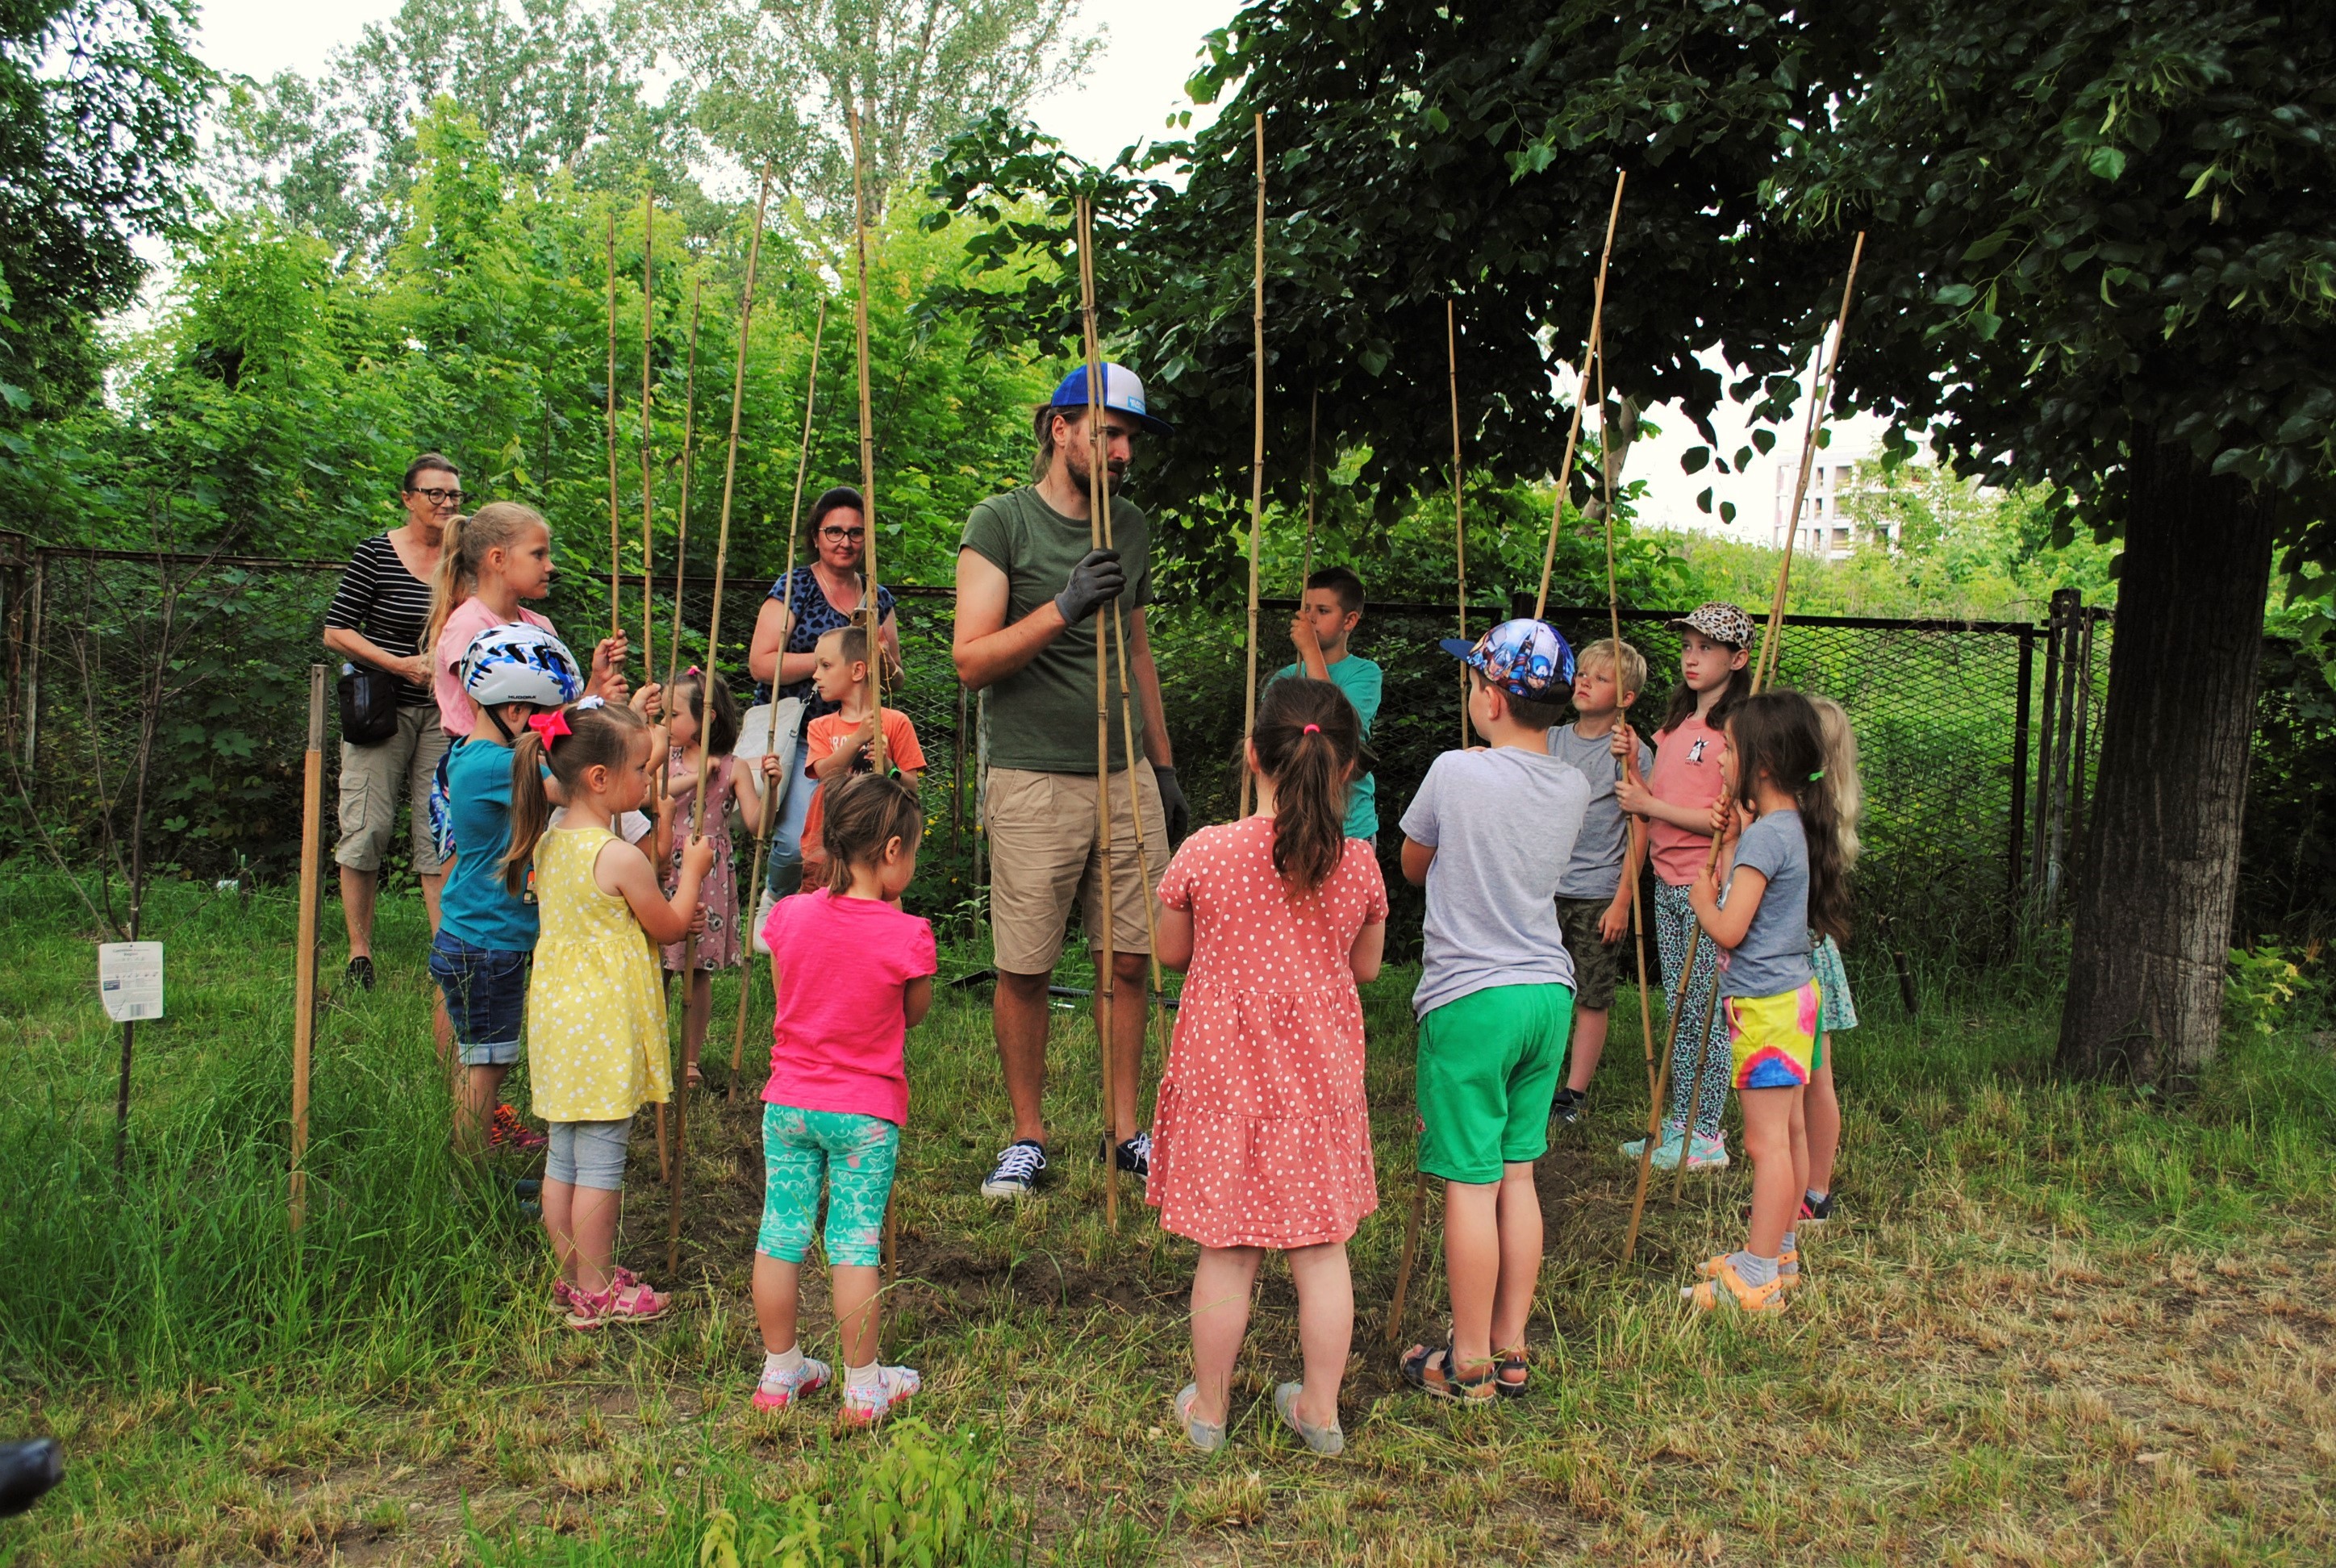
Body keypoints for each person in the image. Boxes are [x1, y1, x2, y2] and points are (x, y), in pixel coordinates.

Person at [952, 363, 1188, 1199]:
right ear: (1060, 427)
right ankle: (1027, 1136)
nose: (1124, 452)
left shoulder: (1129, 525)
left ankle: (1125, 1132)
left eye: (1131, 439)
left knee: (1131, 960)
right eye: (1110, 433)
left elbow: (1136, 651)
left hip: (1121, 773)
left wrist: (1161, 767)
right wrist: (1061, 604)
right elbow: (970, 661)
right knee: (1024, 965)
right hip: (1031, 778)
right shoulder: (1000, 523)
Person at [1151, 678, 1387, 1456]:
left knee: (1227, 1249)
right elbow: (1368, 970)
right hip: (1317, 1087)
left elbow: (1170, 953)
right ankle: (1319, 1412)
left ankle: (1210, 1410)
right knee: (1322, 1251)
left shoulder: (1206, 852)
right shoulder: (1357, 865)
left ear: (1252, 754)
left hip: (1228, 1084)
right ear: (1346, 768)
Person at [1396, 620, 1589, 1403]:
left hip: (1471, 999)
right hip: (1549, 996)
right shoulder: (1575, 784)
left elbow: (1413, 865)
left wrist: (1464, 782)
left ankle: (1467, 1363)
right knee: (1518, 1174)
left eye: (1473, 679)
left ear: (1492, 696)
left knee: (1469, 1185)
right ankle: (1510, 1346)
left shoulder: (1454, 771)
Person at [504, 699, 711, 1330]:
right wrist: (694, 874)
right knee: (600, 1165)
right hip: (602, 1028)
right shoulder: (618, 856)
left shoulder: (551, 842)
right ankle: (597, 1291)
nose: (649, 783)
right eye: (641, 772)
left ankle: (571, 1280)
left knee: (563, 1159)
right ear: (598, 779)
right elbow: (670, 925)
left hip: (558, 1024)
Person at [751, 774, 936, 1426]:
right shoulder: (908, 934)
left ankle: (780, 1373)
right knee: (853, 1244)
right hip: (865, 1113)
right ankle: (863, 1385)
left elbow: (786, 994)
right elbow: (912, 1015)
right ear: (890, 851)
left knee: (781, 1233)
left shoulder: (788, 916)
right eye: (911, 852)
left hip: (790, 1103)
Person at [1681, 690, 1847, 1312]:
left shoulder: (1764, 840)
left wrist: (1702, 900)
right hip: (1794, 998)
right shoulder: (1786, 827)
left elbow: (1729, 929)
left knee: (1765, 1144)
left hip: (1768, 1005)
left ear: (1764, 764)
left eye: (1728, 749)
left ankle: (1756, 1277)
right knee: (1789, 1132)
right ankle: (1780, 1254)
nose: (1720, 759)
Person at [430, 624, 585, 1157]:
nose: (547, 733)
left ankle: (476, 1158)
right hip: (487, 943)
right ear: (516, 712)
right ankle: (472, 1176)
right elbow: (569, 788)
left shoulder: (471, 756)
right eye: (544, 718)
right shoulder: (497, 765)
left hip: (477, 936)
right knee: (486, 1064)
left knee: (481, 1058)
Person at [1614, 602, 1756, 1172]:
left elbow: (1732, 820)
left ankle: (1706, 1135)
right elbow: (1652, 798)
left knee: (1703, 1010)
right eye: (1688, 646)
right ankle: (1678, 1123)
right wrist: (1635, 771)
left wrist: (1649, 802)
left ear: (1738, 659)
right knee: (1680, 1008)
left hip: (1705, 884)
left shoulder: (1738, 730)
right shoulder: (1675, 726)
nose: (1692, 657)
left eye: (1707, 648)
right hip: (1666, 880)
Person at [323, 453, 459, 990]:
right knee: (367, 825)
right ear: (407, 499)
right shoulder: (376, 553)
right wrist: (399, 663)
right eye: (435, 494)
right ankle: (360, 953)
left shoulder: (462, 558)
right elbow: (336, 631)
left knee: (438, 831)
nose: (446, 504)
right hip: (380, 709)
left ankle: (442, 954)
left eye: (454, 496)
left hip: (444, 713)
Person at [745, 487, 901, 911]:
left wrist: (881, 657)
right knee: (798, 840)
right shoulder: (797, 585)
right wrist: (830, 658)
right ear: (816, 535)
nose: (845, 542)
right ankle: (775, 901)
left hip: (859, 740)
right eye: (834, 531)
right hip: (802, 734)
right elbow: (761, 662)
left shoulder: (877, 596)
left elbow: (895, 679)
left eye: (855, 533)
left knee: (851, 843)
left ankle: (829, 919)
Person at [1546, 637, 1654, 1126]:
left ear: (1626, 699)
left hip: (1596, 891)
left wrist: (1622, 900)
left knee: (1590, 992)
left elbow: (1641, 821)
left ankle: (1573, 1092)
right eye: (1582, 672)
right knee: (1545, 987)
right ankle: (1537, 1074)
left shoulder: (1631, 750)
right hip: (1543, 885)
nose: (1584, 681)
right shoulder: (1550, 738)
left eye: (1600, 677)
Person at [429, 502, 626, 739]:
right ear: (498, 559)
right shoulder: (469, 627)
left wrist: (597, 685)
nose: (550, 566)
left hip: (532, 758)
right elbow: (500, 729)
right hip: (490, 768)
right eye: (538, 554)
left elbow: (556, 717)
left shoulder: (540, 626)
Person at [660, 669, 764, 1088]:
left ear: (708, 719)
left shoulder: (736, 769)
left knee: (696, 969)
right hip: (667, 864)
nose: (665, 723)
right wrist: (699, 774)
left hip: (709, 873)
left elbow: (757, 824)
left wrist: (770, 786)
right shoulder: (661, 759)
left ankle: (690, 1060)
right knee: (658, 965)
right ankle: (649, 1049)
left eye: (674, 714)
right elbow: (659, 793)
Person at [786, 625, 926, 895]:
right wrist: (857, 739)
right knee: (821, 905)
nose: (816, 675)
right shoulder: (820, 726)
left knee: (878, 907)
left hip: (875, 843)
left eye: (826, 665)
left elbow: (911, 787)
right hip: (827, 842)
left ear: (858, 671)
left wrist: (888, 765)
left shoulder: (896, 723)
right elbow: (825, 773)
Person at [1798, 694, 1863, 1226]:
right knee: (1800, 1081)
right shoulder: (1810, 807)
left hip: (1806, 960)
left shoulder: (1811, 814)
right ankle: (1799, 1184)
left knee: (1816, 1079)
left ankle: (1815, 1191)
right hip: (1804, 955)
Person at [1266, 565, 1383, 843]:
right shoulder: (1284, 678)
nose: (1310, 618)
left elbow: (1337, 725)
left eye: (1323, 611)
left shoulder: (1365, 674)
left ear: (1350, 620)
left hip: (1350, 826)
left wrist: (1310, 650)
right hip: (1292, 823)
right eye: (1306, 609)